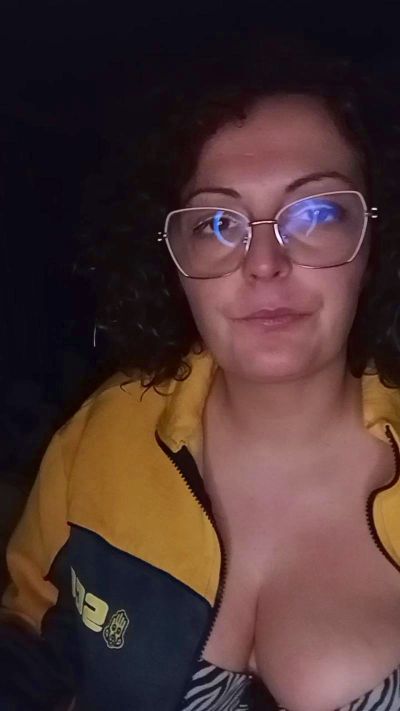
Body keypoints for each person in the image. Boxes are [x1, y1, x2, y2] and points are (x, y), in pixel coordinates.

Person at [1, 38, 400, 711]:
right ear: (174, 259)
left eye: (317, 213)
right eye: (217, 222)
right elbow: (31, 637)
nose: (264, 262)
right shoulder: (103, 433)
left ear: (373, 242)